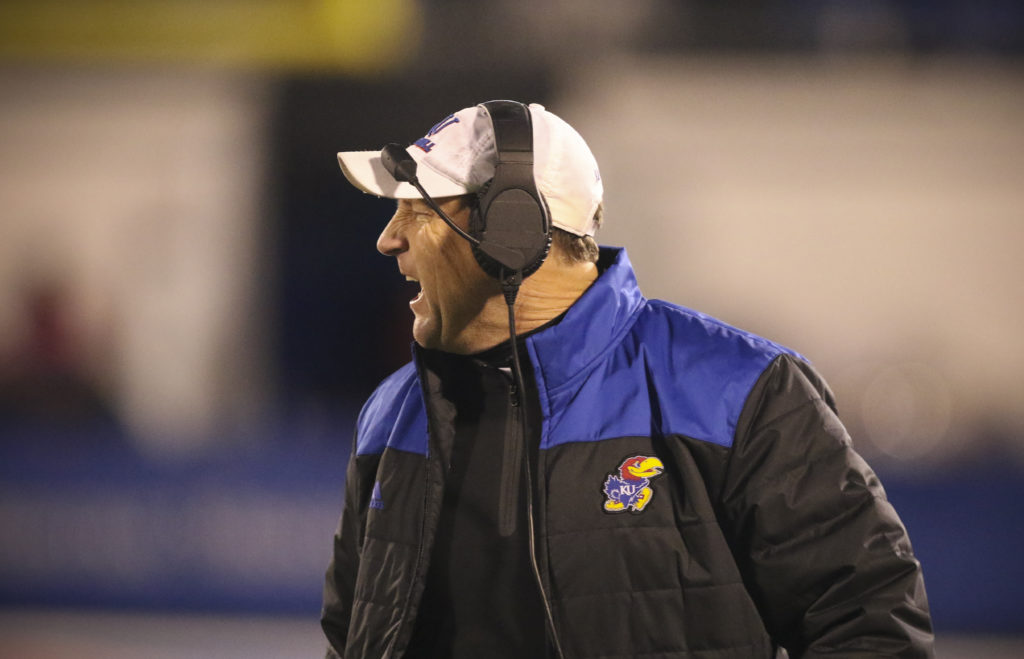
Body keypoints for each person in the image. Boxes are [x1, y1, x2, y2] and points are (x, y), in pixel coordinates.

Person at [322, 100, 934, 659]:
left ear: (509, 231)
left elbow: (872, 630)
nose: (388, 240)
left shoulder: (742, 392)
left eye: (416, 210)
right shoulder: (391, 415)